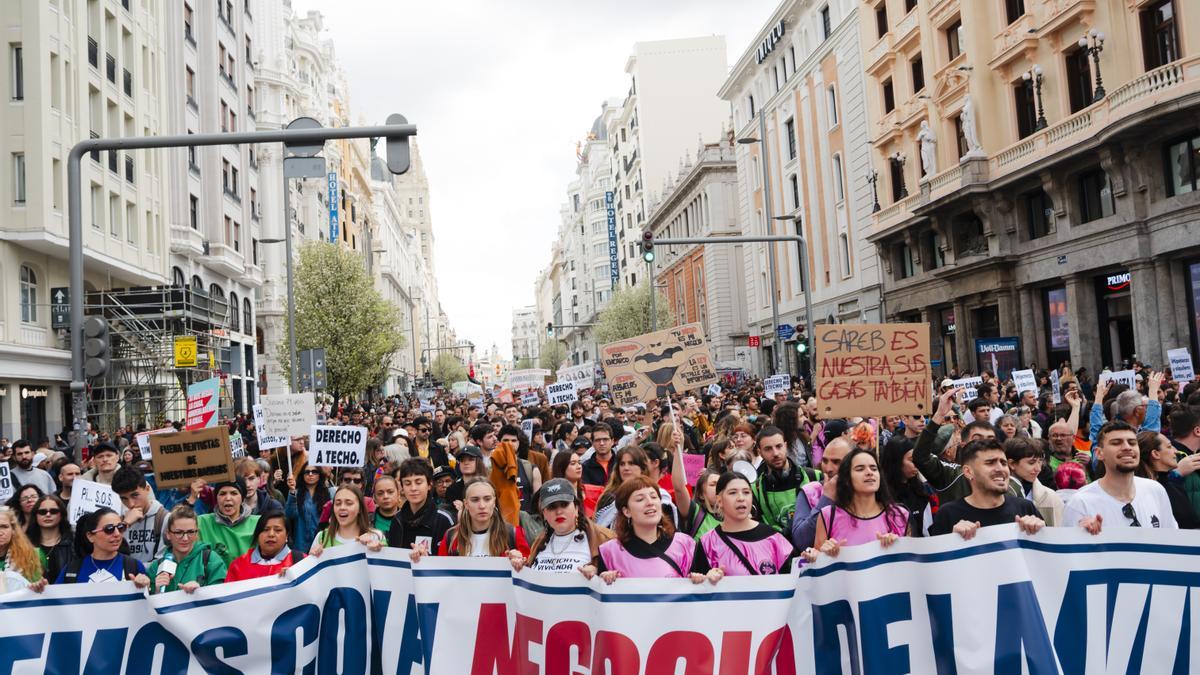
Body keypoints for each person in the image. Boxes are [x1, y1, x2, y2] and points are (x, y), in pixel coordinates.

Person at [594, 476, 711, 584]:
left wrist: (702, 579)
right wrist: (603, 580)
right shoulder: (610, 552)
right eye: (640, 499)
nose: (650, 503)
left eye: (654, 497)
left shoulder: (685, 545)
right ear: (626, 511)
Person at [1066, 421, 1178, 533]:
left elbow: (1171, 539)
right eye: (1116, 443)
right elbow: (1070, 547)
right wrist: (1083, 534)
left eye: (1132, 443)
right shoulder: (1080, 502)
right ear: (1099, 453)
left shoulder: (1155, 490)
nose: (1127, 447)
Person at [929, 439, 1045, 539]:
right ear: (968, 472)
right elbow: (936, 562)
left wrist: (1041, 532)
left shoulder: (1025, 508)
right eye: (990, 463)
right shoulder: (948, 514)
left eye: (1003, 463)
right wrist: (952, 540)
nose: (1000, 469)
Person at [805, 448, 908, 561]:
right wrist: (818, 554)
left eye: (874, 468)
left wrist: (899, 547)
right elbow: (815, 563)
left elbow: (911, 565)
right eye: (860, 469)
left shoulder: (898, 515)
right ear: (846, 479)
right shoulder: (828, 515)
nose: (869, 472)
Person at [692, 472, 794, 577]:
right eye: (732, 493)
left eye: (746, 492)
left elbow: (791, 582)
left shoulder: (773, 538)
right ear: (719, 500)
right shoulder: (708, 543)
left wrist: (810, 559)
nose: (741, 498)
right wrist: (706, 580)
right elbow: (699, 587)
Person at [512, 478, 613, 575]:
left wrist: (598, 572)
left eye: (564, 504)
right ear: (544, 514)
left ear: (576, 508)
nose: (559, 511)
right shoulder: (539, 542)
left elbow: (622, 574)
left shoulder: (604, 538)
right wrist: (520, 566)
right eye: (552, 507)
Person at [418, 479, 528, 558]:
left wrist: (520, 563)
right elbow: (441, 576)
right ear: (466, 504)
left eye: (487, 499)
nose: (482, 505)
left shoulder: (512, 533)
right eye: (475, 500)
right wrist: (423, 561)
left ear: (494, 501)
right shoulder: (451, 536)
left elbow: (529, 575)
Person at [752, 426, 821, 535]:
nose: (775, 453)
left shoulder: (814, 477)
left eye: (779, 446)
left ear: (786, 446)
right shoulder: (755, 490)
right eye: (768, 449)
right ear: (759, 452)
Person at [56, 507, 150, 587]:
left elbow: (146, 604)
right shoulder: (71, 570)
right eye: (109, 529)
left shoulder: (134, 566)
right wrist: (43, 590)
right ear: (90, 536)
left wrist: (146, 588)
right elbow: (55, 602)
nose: (117, 534)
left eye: (120, 527)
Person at [147, 505, 227, 594]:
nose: (185, 538)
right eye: (178, 532)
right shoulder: (156, 566)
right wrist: (157, 591)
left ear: (197, 533)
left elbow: (221, 597)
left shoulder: (211, 559)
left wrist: (201, 591)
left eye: (190, 532)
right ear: (168, 534)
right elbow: (147, 604)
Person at [385, 459, 455, 551]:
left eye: (418, 482)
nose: (413, 488)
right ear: (402, 487)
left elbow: (453, 561)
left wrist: (425, 560)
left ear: (429, 484)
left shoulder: (444, 520)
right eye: (407, 483)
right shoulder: (397, 519)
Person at [1135, 432, 1200, 528]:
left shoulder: (1175, 486)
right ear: (1155, 454)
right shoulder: (1144, 491)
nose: (1176, 451)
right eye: (1169, 447)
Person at [225, 510, 306, 582]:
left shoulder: (302, 562)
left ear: (287, 536)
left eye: (278, 530)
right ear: (257, 535)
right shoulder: (238, 566)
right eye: (265, 530)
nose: (271, 534)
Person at [111, 465, 168, 564]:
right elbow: (111, 555)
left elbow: (163, 560)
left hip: (152, 577)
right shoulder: (119, 519)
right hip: (125, 577)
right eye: (124, 498)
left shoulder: (164, 518)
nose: (131, 504)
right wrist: (124, 525)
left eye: (135, 495)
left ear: (147, 489)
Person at [197, 478, 260, 567]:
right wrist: (191, 499)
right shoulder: (201, 522)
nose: (228, 498)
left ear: (242, 497)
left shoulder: (259, 523)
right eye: (222, 494)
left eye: (234, 493)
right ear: (216, 498)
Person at [1004, 437, 1064, 526]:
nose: (1038, 469)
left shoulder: (1051, 497)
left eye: (1040, 462)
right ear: (1012, 464)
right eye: (1031, 463)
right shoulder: (993, 494)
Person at [310, 485, 384, 555]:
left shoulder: (376, 536)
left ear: (360, 508)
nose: (342, 507)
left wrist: (377, 552)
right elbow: (311, 566)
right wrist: (313, 558)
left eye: (349, 503)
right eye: (338, 503)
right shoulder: (322, 537)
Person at [593, 446, 651, 528]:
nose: (626, 468)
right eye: (622, 464)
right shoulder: (609, 497)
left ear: (642, 468)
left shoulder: (653, 494)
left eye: (631, 463)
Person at [285, 463, 331, 553]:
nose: (310, 474)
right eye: (307, 472)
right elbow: (289, 514)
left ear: (320, 474)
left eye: (314, 472)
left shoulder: (329, 493)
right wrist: (291, 491)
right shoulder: (296, 493)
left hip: (321, 543)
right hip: (300, 544)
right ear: (302, 475)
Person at [26, 494, 72, 583]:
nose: (48, 514)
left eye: (53, 511)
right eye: (42, 512)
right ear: (36, 515)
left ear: (61, 514)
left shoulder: (73, 544)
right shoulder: (25, 545)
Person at [0, 506, 45, 592]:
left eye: (4, 527)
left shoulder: (32, 556)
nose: (0, 532)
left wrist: (39, 587)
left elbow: (40, 593)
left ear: (13, 530)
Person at [683, 468, 723, 540]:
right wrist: (677, 456)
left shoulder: (733, 517)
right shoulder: (696, 512)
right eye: (713, 484)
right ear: (701, 494)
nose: (719, 487)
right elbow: (679, 488)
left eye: (721, 484)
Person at [581, 421, 616, 486]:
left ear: (612, 441)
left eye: (605, 439)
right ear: (592, 443)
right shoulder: (585, 467)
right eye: (597, 440)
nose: (602, 443)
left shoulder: (621, 463)